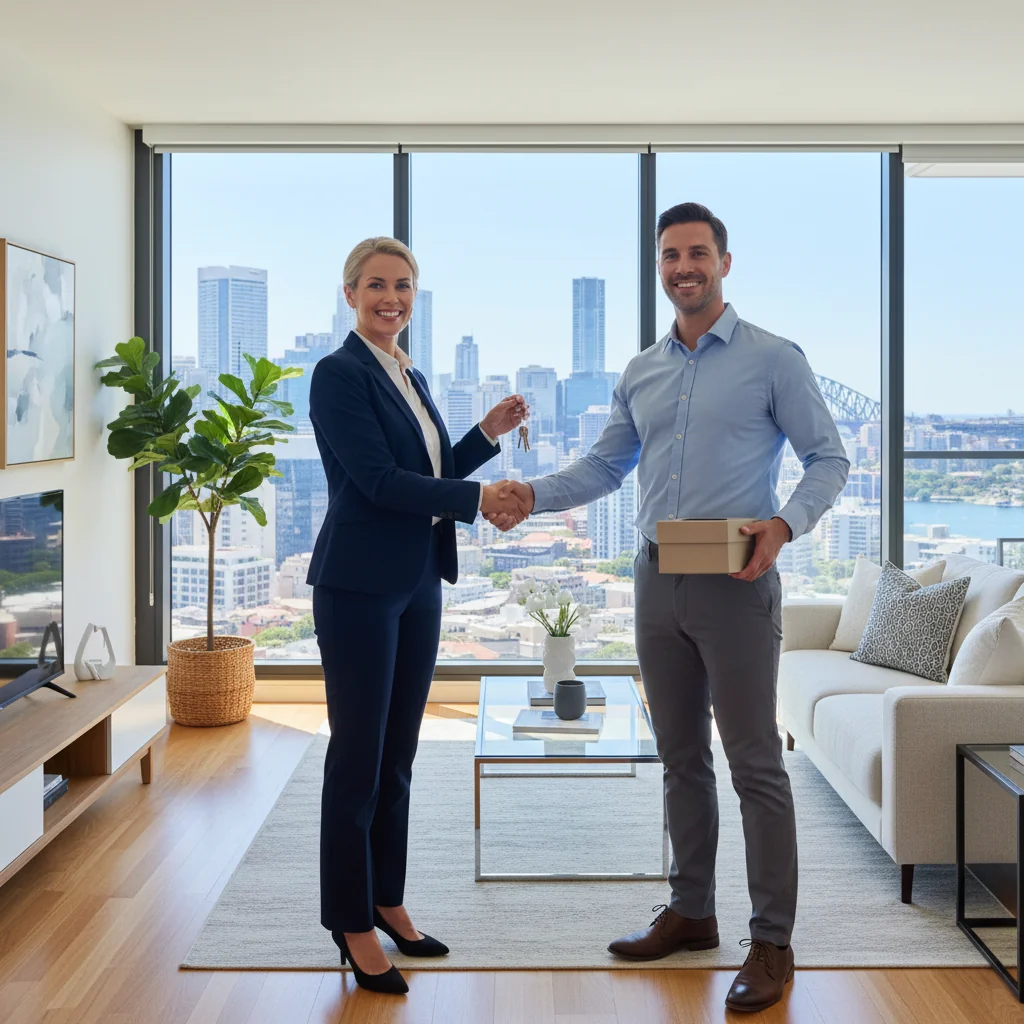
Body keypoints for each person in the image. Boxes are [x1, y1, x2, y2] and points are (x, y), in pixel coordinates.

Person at [489, 204, 849, 1013]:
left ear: (724, 261)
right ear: (659, 267)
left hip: (736, 576)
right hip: (658, 577)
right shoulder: (642, 370)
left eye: (697, 253)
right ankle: (692, 911)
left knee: (755, 761)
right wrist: (530, 495)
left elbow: (829, 456)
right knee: (681, 756)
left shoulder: (774, 359)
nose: (683, 267)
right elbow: (605, 467)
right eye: (669, 256)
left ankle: (773, 942)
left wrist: (785, 524)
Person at [307, 237, 531, 994]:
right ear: (350, 294)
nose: (390, 298)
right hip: (359, 587)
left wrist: (486, 436)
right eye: (376, 285)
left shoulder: (409, 371)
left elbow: (427, 472)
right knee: (358, 760)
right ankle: (351, 922)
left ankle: (387, 897)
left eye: (402, 286)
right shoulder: (338, 375)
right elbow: (375, 481)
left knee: (398, 756)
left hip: (417, 583)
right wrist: (476, 502)